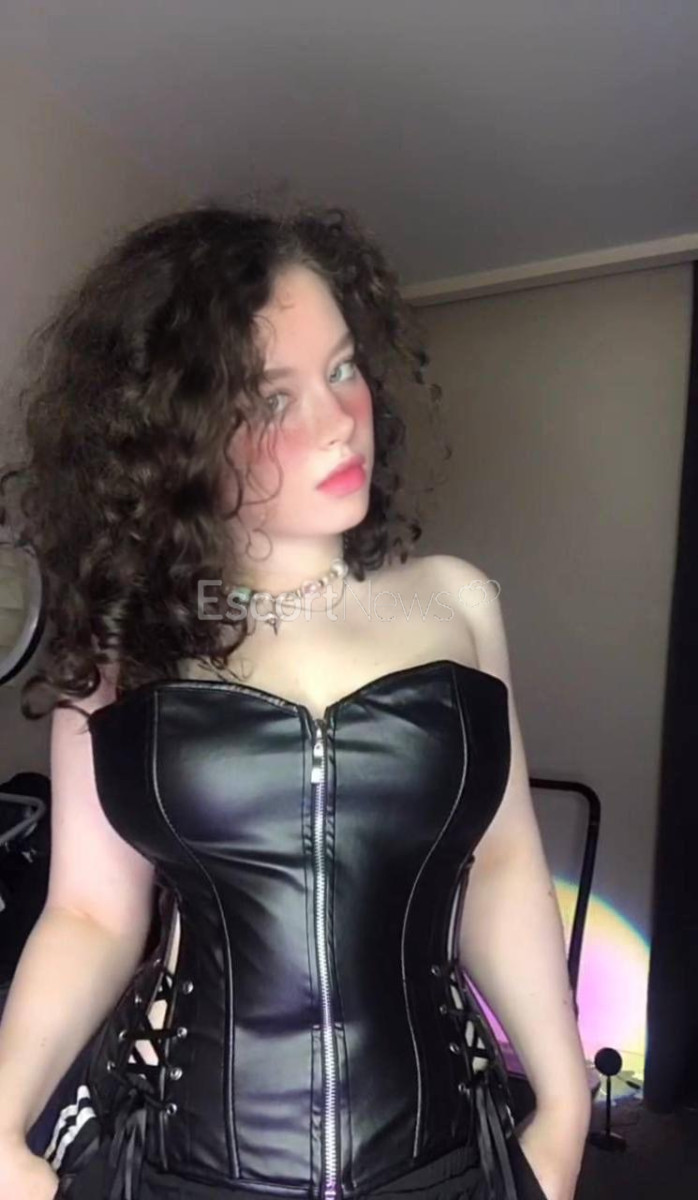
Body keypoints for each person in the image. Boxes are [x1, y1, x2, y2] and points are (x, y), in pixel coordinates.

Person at [0, 202, 591, 1200]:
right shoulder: (118, 646)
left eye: (343, 369)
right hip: (189, 1170)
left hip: (446, 1163)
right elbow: (91, 915)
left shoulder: (454, 604)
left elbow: (500, 866)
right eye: (273, 399)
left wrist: (565, 1108)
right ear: (176, 438)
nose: (337, 421)